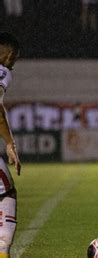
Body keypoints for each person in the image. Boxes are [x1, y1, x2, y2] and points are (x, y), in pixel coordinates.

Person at [0, 32, 22, 258]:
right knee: (6, 193)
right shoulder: (2, 72)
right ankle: (3, 251)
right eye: (14, 58)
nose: (13, 63)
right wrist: (10, 143)